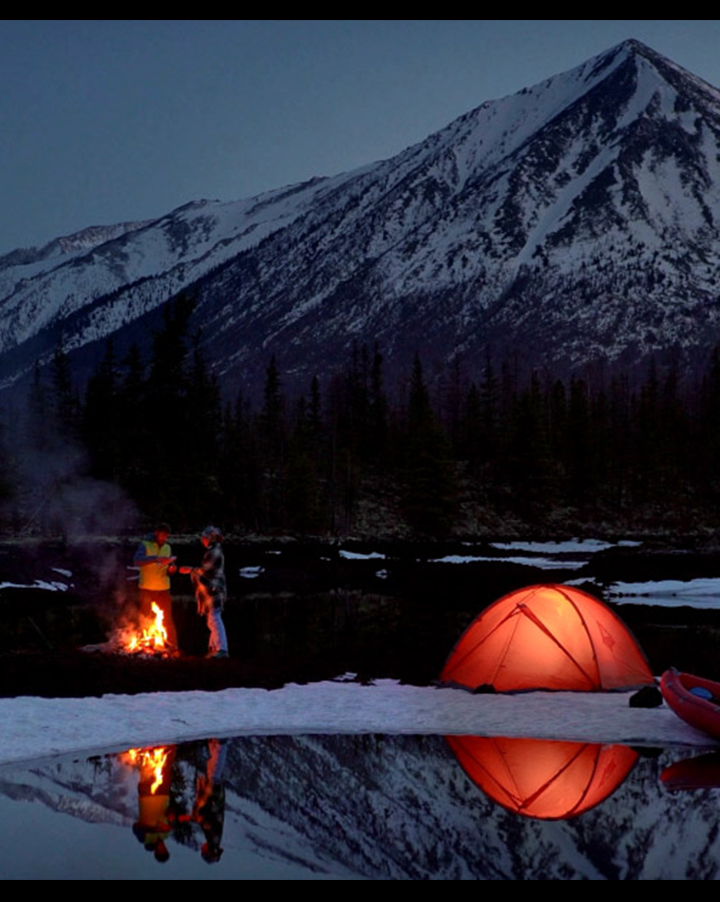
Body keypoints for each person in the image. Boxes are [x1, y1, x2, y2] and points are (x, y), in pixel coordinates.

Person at [180, 526, 229, 659]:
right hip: (212, 590)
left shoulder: (214, 551)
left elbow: (205, 570)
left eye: (204, 537)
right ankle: (214, 648)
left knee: (214, 618)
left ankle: (222, 649)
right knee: (211, 620)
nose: (202, 540)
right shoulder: (213, 551)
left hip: (213, 589)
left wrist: (190, 570)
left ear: (209, 538)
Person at [133, 523, 179, 652]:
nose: (164, 538)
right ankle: (144, 646)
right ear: (156, 532)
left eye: (166, 536)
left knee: (167, 619)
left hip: (163, 589)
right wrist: (155, 559)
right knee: (145, 618)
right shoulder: (145, 545)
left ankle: (173, 647)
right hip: (146, 588)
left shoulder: (167, 547)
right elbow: (137, 560)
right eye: (162, 535)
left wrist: (172, 568)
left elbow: (169, 570)